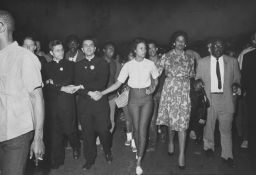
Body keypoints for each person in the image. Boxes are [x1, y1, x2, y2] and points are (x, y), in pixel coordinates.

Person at [97, 38, 159, 175]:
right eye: (141, 48)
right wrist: (102, 93)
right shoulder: (128, 65)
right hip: (133, 99)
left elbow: (156, 78)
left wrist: (153, 88)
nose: (144, 51)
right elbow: (117, 84)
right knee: (136, 129)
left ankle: (139, 161)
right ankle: (138, 150)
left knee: (143, 129)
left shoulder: (150, 64)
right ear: (135, 50)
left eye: (145, 48)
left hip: (147, 99)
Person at [0, 10, 45, 175]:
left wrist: (38, 138)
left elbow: (37, 98)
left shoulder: (24, 57)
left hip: (17, 135)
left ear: (1, 27)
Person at [196, 38, 241, 167]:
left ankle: (227, 155)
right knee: (209, 126)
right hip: (210, 99)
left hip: (226, 99)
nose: (218, 48)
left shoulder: (232, 61)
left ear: (224, 48)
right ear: (210, 47)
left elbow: (237, 78)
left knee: (226, 129)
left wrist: (236, 84)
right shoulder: (202, 62)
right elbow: (197, 77)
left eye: (221, 46)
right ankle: (208, 147)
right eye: (215, 46)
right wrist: (197, 82)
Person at [156, 31, 195, 169]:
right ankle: (171, 141)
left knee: (183, 123)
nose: (180, 43)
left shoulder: (190, 58)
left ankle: (181, 155)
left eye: (182, 41)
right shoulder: (166, 56)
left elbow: (192, 75)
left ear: (185, 43)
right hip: (170, 91)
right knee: (172, 122)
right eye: (178, 40)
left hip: (184, 92)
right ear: (174, 42)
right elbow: (156, 73)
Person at [75, 37, 112, 171]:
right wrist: (89, 92)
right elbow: (77, 86)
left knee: (104, 131)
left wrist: (86, 87)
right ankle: (89, 159)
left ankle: (107, 151)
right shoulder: (78, 65)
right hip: (85, 104)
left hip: (100, 103)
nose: (89, 48)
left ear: (95, 48)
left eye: (91, 45)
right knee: (87, 134)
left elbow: (101, 82)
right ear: (82, 49)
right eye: (86, 45)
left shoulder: (102, 63)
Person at [42, 40, 81, 169]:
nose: (61, 52)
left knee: (70, 129)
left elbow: (69, 80)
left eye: (62, 49)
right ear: (51, 52)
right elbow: (46, 86)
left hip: (67, 103)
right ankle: (57, 159)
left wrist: (55, 84)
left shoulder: (70, 64)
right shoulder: (46, 67)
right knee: (55, 133)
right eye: (58, 50)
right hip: (53, 105)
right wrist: (61, 87)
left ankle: (76, 147)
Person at [147, 40, 166, 152]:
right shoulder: (145, 62)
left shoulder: (163, 61)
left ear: (156, 49)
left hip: (163, 93)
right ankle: (152, 143)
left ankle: (163, 132)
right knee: (152, 119)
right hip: (151, 94)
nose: (151, 50)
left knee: (163, 117)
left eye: (153, 47)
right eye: (149, 48)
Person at [241, 31, 256, 169]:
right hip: (253, 98)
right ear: (253, 41)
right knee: (252, 126)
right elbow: (244, 79)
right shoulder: (248, 57)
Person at [102, 42, 121, 133]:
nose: (112, 50)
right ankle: (99, 138)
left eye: (113, 49)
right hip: (100, 96)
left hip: (112, 96)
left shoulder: (116, 64)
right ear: (104, 50)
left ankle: (107, 140)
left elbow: (117, 81)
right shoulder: (98, 62)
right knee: (100, 119)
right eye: (109, 48)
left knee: (111, 119)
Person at [189, 79, 209, 144]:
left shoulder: (201, 95)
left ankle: (198, 137)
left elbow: (206, 105)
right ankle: (196, 136)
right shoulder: (199, 94)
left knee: (199, 128)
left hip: (200, 115)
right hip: (197, 115)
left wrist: (202, 117)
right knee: (197, 127)